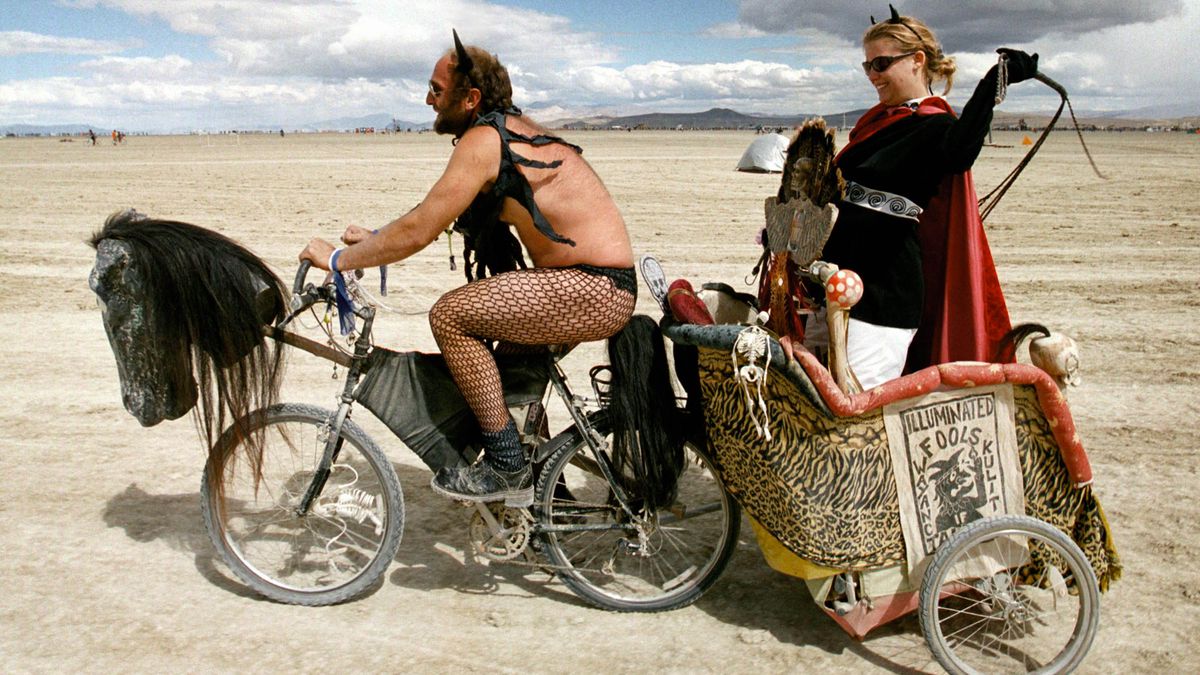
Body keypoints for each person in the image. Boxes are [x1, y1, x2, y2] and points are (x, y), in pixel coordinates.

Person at [299, 31, 636, 505]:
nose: (428, 99)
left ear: (470, 96)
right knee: (511, 383)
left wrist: (337, 261)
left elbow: (420, 228)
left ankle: (505, 468)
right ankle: (548, 500)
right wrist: (375, 241)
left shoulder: (485, 139)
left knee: (451, 316)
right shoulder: (503, 133)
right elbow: (436, 211)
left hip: (592, 288)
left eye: (437, 90)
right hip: (589, 286)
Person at [808, 5, 1037, 388]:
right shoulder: (874, 125)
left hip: (884, 296)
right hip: (830, 288)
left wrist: (993, 82)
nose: (873, 76)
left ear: (917, 60)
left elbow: (961, 152)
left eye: (881, 64)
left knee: (854, 412)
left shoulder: (937, 126)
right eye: (867, 67)